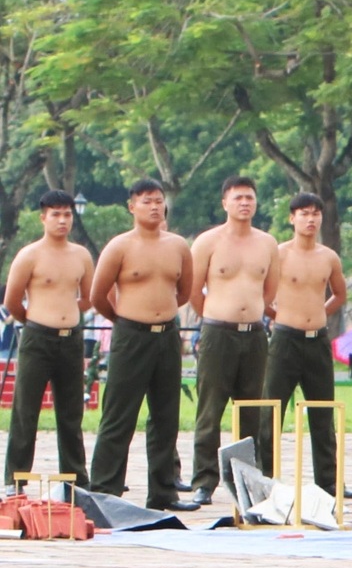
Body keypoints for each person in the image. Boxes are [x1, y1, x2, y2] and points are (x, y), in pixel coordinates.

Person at [90, 180, 198, 513]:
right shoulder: (119, 246)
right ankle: (105, 490)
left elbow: (184, 292)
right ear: (131, 207)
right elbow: (98, 294)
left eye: (159, 201)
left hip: (167, 335)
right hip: (130, 335)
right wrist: (126, 319)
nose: (154, 206)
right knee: (119, 413)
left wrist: (161, 318)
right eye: (146, 201)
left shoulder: (178, 245)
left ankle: (164, 492)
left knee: (166, 415)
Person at [187, 176, 280, 505]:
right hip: (217, 333)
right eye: (238, 197)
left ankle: (248, 481)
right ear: (225, 202)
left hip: (254, 334)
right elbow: (193, 290)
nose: (245, 203)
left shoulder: (267, 243)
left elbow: (269, 290)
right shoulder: (208, 242)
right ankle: (204, 481)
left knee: (251, 410)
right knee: (210, 409)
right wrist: (214, 315)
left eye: (250, 198)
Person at [4, 191, 94, 491]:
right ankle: (14, 478)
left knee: (71, 413)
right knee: (25, 411)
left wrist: (66, 314)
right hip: (37, 337)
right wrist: (37, 318)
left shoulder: (81, 255)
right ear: (43, 217)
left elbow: (88, 297)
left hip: (70, 339)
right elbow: (13, 300)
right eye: (55, 214)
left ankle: (76, 479)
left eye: (67, 214)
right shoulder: (30, 255)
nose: (62, 220)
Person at [265, 192, 348, 496]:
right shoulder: (279, 253)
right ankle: (267, 479)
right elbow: (262, 293)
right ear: (292, 218)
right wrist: (279, 314)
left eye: (315, 213)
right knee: (272, 410)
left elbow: (339, 294)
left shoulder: (328, 256)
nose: (310, 219)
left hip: (317, 340)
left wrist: (319, 313)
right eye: (304, 213)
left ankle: (328, 482)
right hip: (285, 338)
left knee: (322, 412)